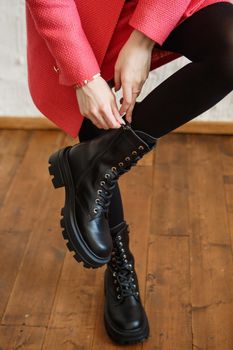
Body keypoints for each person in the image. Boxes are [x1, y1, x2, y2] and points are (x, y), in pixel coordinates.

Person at [25, 0, 233, 345]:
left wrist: (143, 38)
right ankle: (119, 262)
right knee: (97, 119)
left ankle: (95, 163)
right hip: (84, 12)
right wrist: (83, 77)